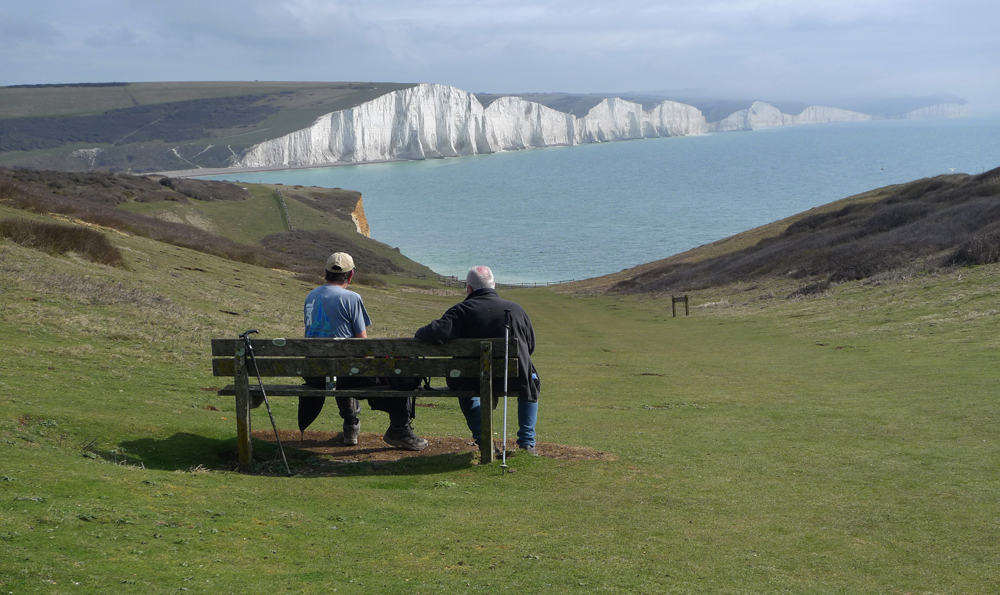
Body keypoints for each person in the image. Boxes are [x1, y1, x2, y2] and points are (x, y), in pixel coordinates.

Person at [301, 252, 428, 451]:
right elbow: (363, 346)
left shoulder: (311, 296)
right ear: (350, 275)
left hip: (315, 374)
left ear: (325, 273)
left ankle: (351, 424)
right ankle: (399, 430)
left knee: (338, 370)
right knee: (394, 375)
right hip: (341, 375)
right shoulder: (352, 298)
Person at [414, 266, 540, 455]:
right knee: (532, 380)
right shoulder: (516, 310)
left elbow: (431, 334)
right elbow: (530, 346)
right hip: (513, 377)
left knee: (466, 389)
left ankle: (485, 440)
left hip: (471, 380)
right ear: (494, 285)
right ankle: (527, 442)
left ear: (469, 289)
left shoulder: (462, 311)